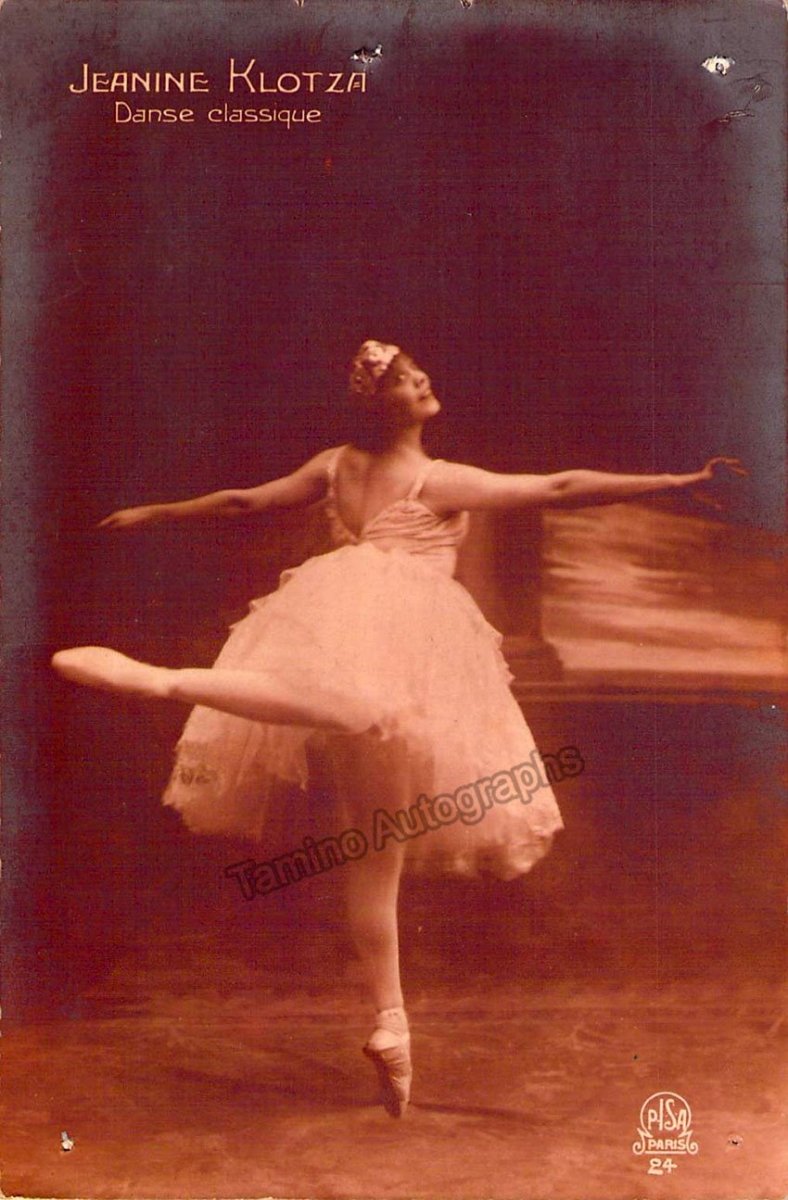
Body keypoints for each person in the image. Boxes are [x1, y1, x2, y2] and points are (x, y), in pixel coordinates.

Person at [52, 339, 745, 1117]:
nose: (426, 383)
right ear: (391, 405)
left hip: (332, 628)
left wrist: (156, 512)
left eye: (421, 377)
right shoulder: (437, 478)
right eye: (413, 381)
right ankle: (167, 681)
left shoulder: (334, 466)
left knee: (372, 839)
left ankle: (392, 1025)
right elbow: (557, 487)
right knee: (367, 752)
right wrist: (677, 481)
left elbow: (245, 501)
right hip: (402, 647)